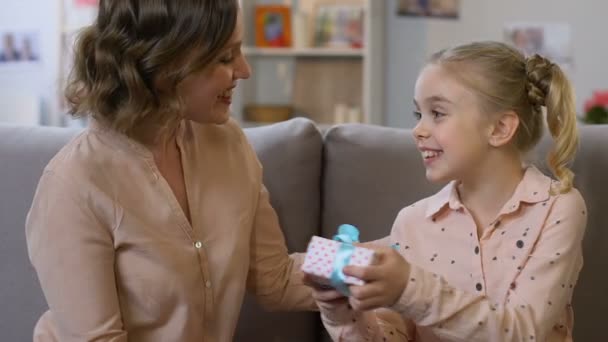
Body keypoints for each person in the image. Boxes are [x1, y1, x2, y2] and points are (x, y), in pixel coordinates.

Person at [25, 1, 315, 341]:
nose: (244, 70)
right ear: (163, 62)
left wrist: (365, 262)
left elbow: (277, 274)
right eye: (225, 57)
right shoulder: (74, 185)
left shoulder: (228, 144)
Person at [309, 41, 587, 341]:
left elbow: (523, 332)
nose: (418, 130)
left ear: (499, 128)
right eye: (419, 115)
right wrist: (342, 314)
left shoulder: (557, 207)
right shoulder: (412, 222)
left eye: (437, 113)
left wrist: (411, 288)